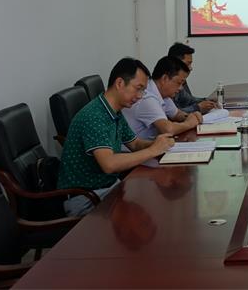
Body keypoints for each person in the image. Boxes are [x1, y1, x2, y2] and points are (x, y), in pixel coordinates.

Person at [57, 57, 175, 216]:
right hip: (87, 198)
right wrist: (152, 150)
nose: (140, 96)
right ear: (119, 83)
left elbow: (135, 144)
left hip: (109, 187)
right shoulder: (94, 116)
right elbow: (109, 164)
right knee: (152, 206)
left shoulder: (114, 111)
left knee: (156, 202)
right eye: (138, 88)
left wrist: (160, 144)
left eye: (143, 91)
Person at [122, 56, 203, 139]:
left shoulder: (163, 94)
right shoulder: (147, 98)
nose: (181, 88)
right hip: (138, 146)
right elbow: (168, 129)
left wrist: (191, 116)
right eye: (179, 83)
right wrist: (189, 124)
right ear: (165, 78)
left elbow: (177, 114)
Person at [168, 42, 216, 114]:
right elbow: (172, 114)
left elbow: (189, 100)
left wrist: (207, 100)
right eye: (188, 64)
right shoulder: (166, 83)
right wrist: (198, 107)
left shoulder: (181, 80)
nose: (190, 68)